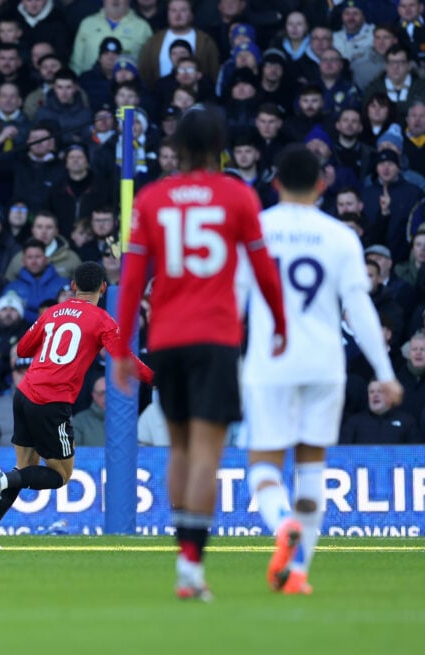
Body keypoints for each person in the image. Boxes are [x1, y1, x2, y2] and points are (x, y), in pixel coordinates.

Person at [112, 107, 288, 601]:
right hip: (215, 338)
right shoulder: (237, 195)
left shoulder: (151, 198)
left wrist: (122, 346)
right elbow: (264, 269)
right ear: (219, 147)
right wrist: (278, 323)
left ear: (177, 148)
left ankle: (182, 560)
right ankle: (191, 568)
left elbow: (132, 280)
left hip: (166, 339)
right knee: (207, 453)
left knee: (180, 449)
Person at [239, 144, 403, 597]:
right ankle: (298, 574)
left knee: (264, 464)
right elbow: (359, 308)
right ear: (322, 184)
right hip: (325, 362)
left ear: (274, 184)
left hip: (271, 361)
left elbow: (231, 303)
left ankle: (280, 521)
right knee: (312, 467)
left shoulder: (256, 231)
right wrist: (385, 371)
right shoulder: (340, 237)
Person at [0, 262, 153, 549]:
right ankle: (1, 479)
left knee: (26, 467)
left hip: (23, 394)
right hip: (51, 403)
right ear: (103, 289)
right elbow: (124, 359)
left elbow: (22, 349)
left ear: (73, 286)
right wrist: (155, 379)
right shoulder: (103, 320)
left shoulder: (52, 313)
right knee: (60, 475)